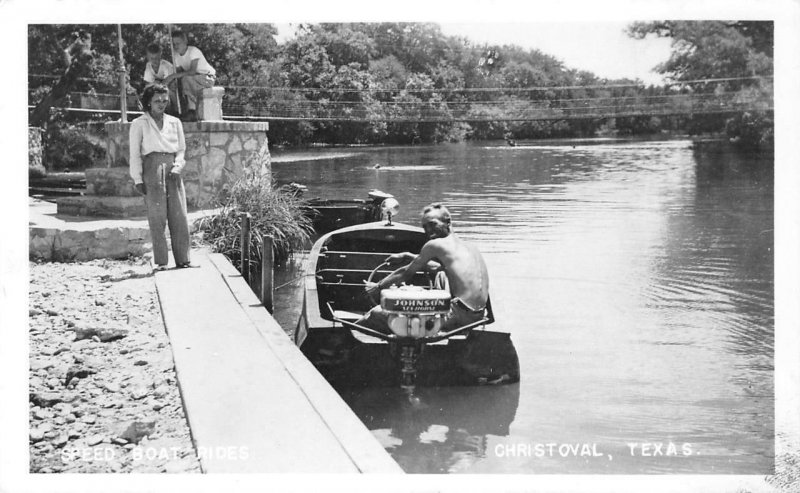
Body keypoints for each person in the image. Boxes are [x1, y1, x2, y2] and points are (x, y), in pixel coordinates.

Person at [357, 203, 490, 333]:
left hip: (457, 314)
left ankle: (350, 333)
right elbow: (438, 268)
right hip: (477, 315)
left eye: (432, 224)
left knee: (376, 313)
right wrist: (408, 255)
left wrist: (377, 287)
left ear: (448, 222)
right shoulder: (471, 246)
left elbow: (405, 273)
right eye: (425, 227)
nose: (428, 231)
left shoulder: (435, 244)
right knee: (441, 275)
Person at [129, 84, 194, 270]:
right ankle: (162, 262)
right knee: (157, 217)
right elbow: (134, 153)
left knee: (179, 215)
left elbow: (181, 150)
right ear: (148, 102)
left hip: (173, 169)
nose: (161, 104)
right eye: (157, 101)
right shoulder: (139, 123)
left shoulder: (175, 122)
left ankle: (183, 259)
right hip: (152, 169)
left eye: (165, 100)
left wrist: (178, 166)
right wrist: (138, 179)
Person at [162, 30, 216, 121]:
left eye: (178, 43)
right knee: (177, 84)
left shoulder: (193, 51)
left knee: (186, 79)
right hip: (194, 79)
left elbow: (192, 71)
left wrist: (172, 76)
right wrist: (171, 82)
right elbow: (179, 73)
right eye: (174, 44)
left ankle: (192, 111)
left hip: (207, 77)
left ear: (185, 42)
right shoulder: (176, 56)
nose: (176, 46)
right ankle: (180, 111)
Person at [142, 43, 178, 114]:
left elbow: (167, 81)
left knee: (170, 91)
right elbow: (148, 82)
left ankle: (175, 110)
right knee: (148, 91)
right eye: (152, 58)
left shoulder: (165, 65)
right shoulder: (148, 66)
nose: (154, 61)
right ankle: (148, 109)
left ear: (160, 56)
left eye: (157, 58)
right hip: (159, 83)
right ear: (148, 57)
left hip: (171, 82)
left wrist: (156, 84)